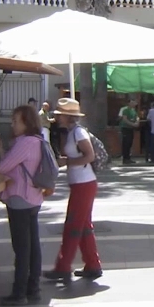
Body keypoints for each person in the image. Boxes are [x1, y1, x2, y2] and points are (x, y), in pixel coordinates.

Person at [0, 105, 44, 306]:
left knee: (22, 247)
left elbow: (3, 167)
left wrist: (1, 154)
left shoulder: (25, 143)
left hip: (19, 198)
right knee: (33, 245)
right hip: (34, 197)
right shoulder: (38, 140)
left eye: (15, 121)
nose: (12, 125)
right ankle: (33, 288)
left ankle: (19, 292)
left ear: (26, 122)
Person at [46, 98, 102, 282]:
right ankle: (92, 264)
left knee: (73, 225)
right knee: (83, 226)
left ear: (66, 116)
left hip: (83, 184)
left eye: (59, 114)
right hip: (82, 183)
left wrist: (67, 162)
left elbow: (89, 156)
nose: (56, 117)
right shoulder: (73, 132)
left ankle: (63, 266)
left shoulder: (78, 133)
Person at [118, 98, 139, 164]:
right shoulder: (125, 110)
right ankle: (125, 158)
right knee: (126, 143)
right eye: (132, 102)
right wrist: (133, 124)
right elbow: (125, 119)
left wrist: (137, 122)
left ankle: (128, 157)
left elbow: (137, 117)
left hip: (131, 128)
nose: (134, 104)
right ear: (129, 103)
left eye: (134, 102)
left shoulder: (134, 110)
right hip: (125, 128)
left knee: (130, 143)